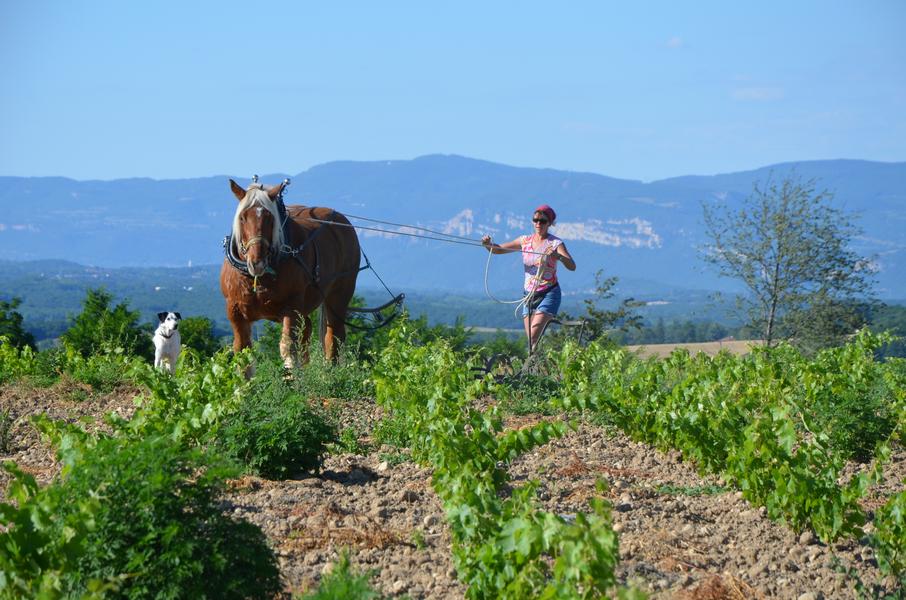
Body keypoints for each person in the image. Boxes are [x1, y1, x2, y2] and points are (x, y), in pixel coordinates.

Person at [482, 204, 576, 352]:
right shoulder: (524, 240)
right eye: (535, 220)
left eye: (543, 221)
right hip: (529, 295)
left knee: (533, 335)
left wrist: (558, 256)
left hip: (548, 293)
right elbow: (498, 250)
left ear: (549, 223)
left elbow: (572, 266)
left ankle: (537, 368)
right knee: (531, 343)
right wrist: (488, 245)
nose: (538, 223)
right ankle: (537, 369)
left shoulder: (555, 243)